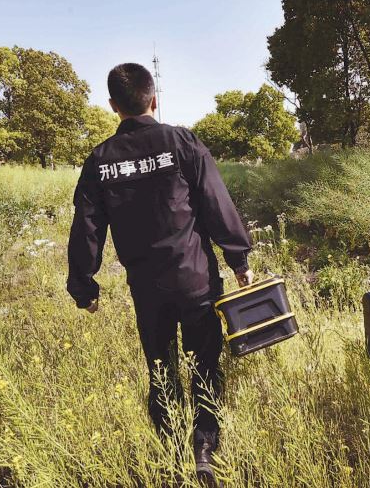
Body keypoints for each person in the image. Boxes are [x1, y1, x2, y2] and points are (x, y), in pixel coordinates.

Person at [67, 63, 252, 484]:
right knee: (205, 363)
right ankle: (204, 449)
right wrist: (238, 260)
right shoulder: (182, 143)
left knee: (160, 367)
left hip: (147, 289)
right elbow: (215, 202)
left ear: (113, 106)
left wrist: (84, 286)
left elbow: (87, 228)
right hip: (196, 280)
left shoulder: (101, 161)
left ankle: (170, 449)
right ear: (154, 99)